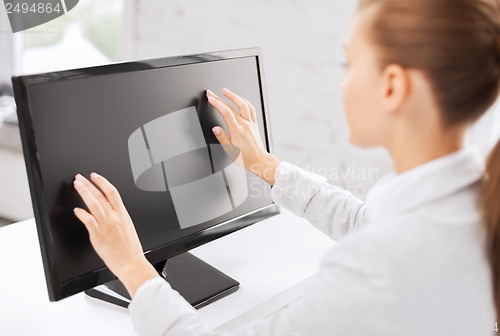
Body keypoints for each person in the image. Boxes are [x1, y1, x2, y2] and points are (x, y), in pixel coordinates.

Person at [71, 0, 500, 334]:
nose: (342, 83)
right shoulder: (469, 207)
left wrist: (131, 265)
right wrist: (266, 165)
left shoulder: (380, 268)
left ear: (392, 86)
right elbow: (366, 223)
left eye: (350, 65)